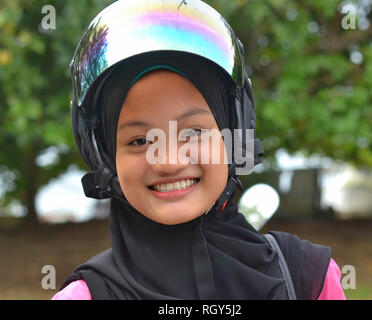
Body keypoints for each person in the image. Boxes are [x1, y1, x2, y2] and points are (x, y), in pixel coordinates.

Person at [52, 0, 345, 300]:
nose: (168, 161)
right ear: (107, 159)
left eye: (193, 132)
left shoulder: (307, 279)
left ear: (233, 135)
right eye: (140, 141)